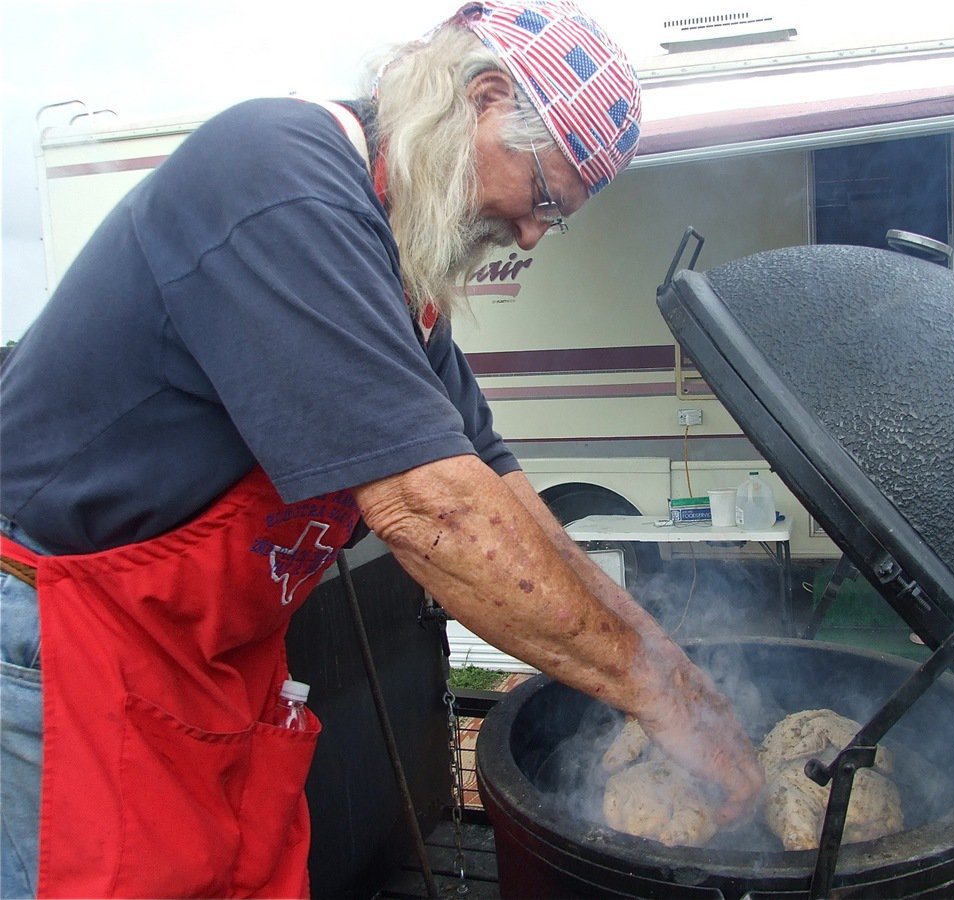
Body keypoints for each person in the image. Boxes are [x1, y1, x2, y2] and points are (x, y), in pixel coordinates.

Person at [0, 2, 765, 896]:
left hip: (202, 660)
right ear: (484, 99)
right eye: (546, 197)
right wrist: (658, 697)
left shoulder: (398, 275)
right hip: (58, 637)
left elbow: (498, 486)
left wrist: (671, 668)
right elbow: (434, 507)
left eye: (551, 222)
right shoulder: (277, 173)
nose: (527, 235)